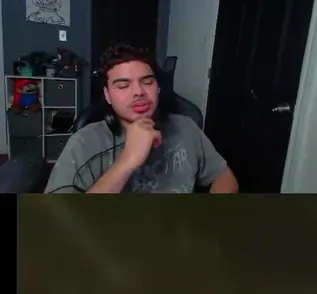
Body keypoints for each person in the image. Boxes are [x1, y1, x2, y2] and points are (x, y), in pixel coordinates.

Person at [45, 43, 238, 194]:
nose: (139, 92)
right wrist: (128, 160)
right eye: (123, 85)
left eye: (147, 82)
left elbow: (225, 178)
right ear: (107, 95)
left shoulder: (186, 127)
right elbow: (59, 220)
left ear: (158, 88)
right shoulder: (84, 142)